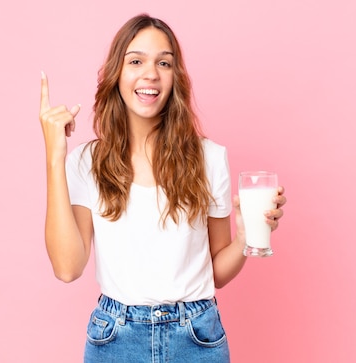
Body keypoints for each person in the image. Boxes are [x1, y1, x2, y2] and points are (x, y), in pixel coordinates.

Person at [39, 13, 286, 363]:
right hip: (115, 340)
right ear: (117, 74)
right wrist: (54, 157)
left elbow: (216, 274)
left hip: (197, 337)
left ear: (175, 77)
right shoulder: (85, 162)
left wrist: (246, 240)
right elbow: (67, 268)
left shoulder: (210, 158)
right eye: (136, 61)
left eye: (164, 63)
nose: (150, 73)